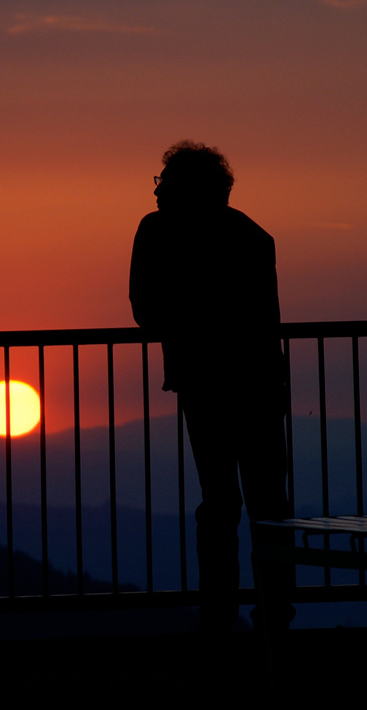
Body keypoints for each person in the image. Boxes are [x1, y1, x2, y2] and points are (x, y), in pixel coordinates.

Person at [129, 140, 293, 632]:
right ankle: (274, 613)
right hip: (259, 383)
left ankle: (218, 616)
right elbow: (265, 319)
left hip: (203, 382)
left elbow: (145, 310)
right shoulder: (252, 235)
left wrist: (186, 325)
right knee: (268, 502)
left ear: (182, 187)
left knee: (219, 503)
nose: (157, 192)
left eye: (164, 182)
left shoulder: (156, 231)